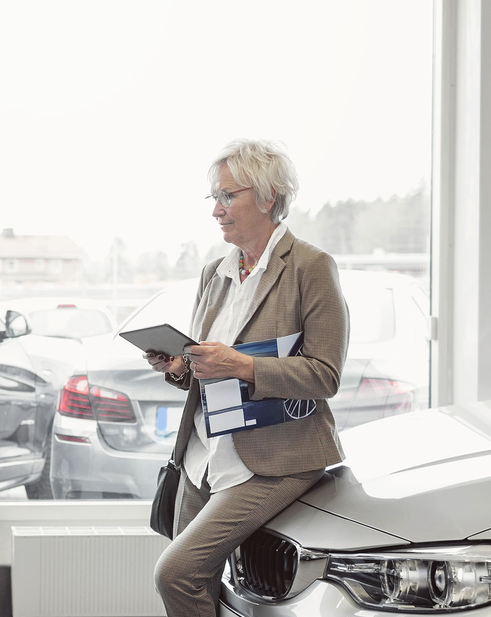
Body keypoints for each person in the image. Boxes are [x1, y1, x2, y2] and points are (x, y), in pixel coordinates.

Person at [147, 139, 348, 616]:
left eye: (227, 196)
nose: (216, 210)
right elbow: (207, 366)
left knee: (174, 574)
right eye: (213, 198)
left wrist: (242, 365)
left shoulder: (311, 267)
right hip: (203, 454)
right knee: (200, 585)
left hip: (274, 459)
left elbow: (325, 374)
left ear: (267, 196)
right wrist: (182, 368)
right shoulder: (214, 273)